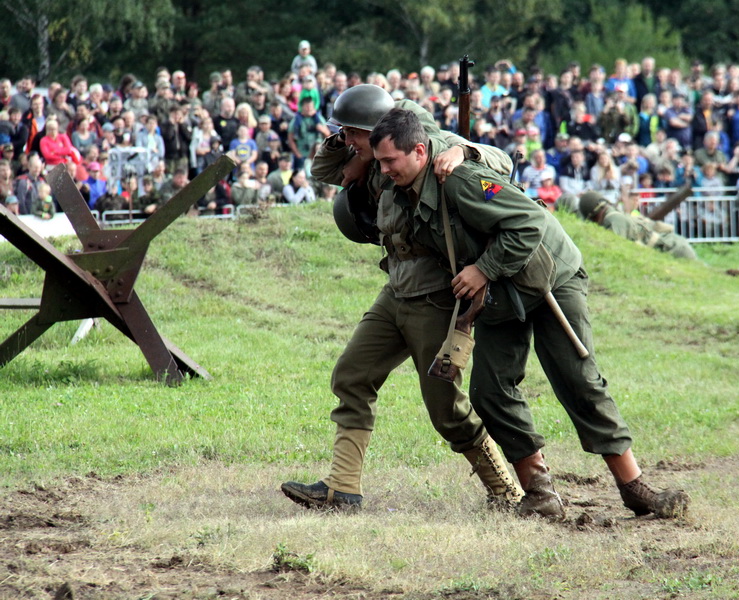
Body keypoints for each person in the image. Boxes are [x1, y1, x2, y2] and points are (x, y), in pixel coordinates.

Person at [369, 107, 691, 520]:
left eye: (390, 161)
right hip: (500, 294)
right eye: (379, 162)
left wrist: (482, 269)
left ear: (417, 151)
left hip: (550, 277)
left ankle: (635, 488)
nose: (384, 170)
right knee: (490, 392)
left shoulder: (462, 180)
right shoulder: (404, 192)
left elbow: (528, 223)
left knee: (578, 381)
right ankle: (540, 494)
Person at [281, 84, 522, 511]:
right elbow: (324, 170)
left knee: (446, 412)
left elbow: (501, 161)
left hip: (436, 297)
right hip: (396, 288)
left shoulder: (427, 144)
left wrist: (464, 153)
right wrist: (352, 151)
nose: (350, 144)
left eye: (352, 134)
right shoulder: (372, 156)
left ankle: (507, 490)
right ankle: (342, 489)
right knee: (352, 375)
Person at [575, 191, 697, 259]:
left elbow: (614, 252)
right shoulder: (615, 216)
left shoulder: (614, 220)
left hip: (674, 249)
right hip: (674, 246)